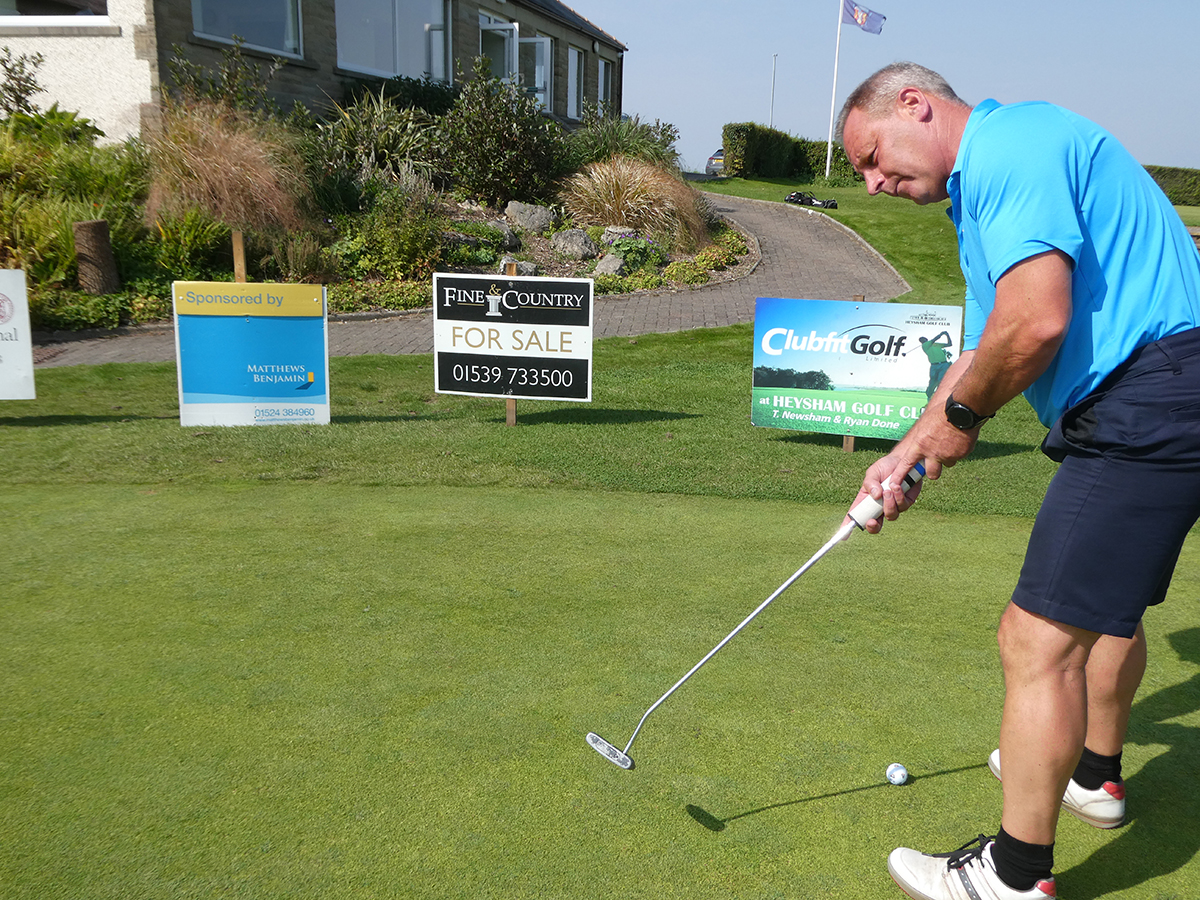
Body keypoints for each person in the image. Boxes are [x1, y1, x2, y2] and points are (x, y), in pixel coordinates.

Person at [835, 62, 1200, 900]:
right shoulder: (983, 195)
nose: (873, 183)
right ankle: (1094, 777)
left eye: (872, 158)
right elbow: (984, 349)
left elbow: (1037, 320)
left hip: (1145, 400)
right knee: (1103, 612)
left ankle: (1013, 874)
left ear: (914, 105)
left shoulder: (1011, 145)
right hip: (1162, 396)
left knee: (1036, 641)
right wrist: (909, 450)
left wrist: (958, 423)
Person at [917, 331, 954, 399]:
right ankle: (929, 394)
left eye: (923, 339)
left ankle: (940, 396)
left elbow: (949, 344)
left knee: (941, 380)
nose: (923, 340)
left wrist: (947, 335)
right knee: (933, 381)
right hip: (934, 365)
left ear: (926, 339)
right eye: (921, 340)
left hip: (944, 364)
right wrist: (942, 334)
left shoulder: (936, 344)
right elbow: (935, 338)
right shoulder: (925, 345)